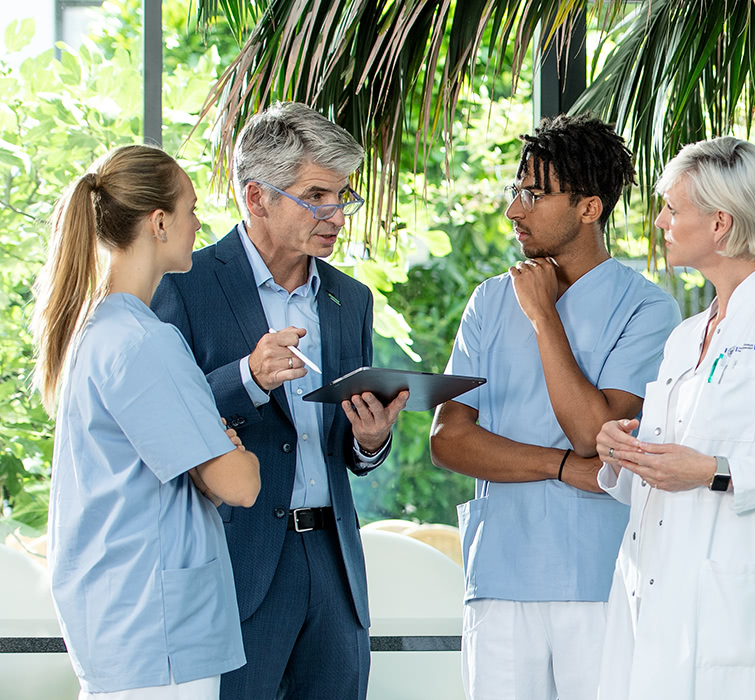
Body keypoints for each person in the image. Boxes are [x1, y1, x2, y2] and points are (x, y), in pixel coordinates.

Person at [151, 102, 407, 700]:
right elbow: (160, 423)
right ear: (256, 197)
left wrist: (371, 440)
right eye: (316, 195)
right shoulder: (184, 285)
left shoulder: (351, 299)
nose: (336, 214)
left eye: (343, 196)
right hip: (237, 560)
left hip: (335, 566)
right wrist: (247, 377)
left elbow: (346, 448)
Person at [430, 113, 681, 700]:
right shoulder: (490, 300)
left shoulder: (647, 309)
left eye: (534, 194)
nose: (514, 210)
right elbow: (448, 440)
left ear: (589, 208)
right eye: (516, 191)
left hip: (599, 577)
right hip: (498, 576)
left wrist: (543, 316)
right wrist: (564, 467)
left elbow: (596, 434)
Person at [594, 136, 755, 700]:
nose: (660, 222)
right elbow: (667, 462)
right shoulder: (686, 336)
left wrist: (714, 471)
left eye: (672, 208)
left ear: (720, 223)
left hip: (718, 603)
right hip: (645, 582)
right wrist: (620, 450)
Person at [32, 144, 261, 699]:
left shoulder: (98, 332)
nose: (198, 224)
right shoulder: (145, 342)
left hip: (124, 621)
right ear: (159, 223)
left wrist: (211, 451)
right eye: (190, 210)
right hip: (158, 632)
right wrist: (233, 451)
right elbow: (241, 484)